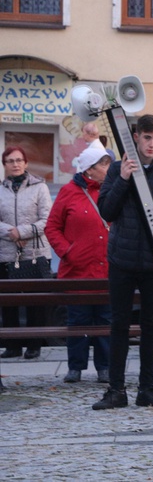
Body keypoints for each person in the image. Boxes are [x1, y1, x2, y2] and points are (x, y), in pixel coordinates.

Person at [93, 114, 153, 410]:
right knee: (119, 325)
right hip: (122, 260)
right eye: (147, 138)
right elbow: (107, 211)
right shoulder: (116, 170)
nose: (151, 144)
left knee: (151, 327)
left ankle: (147, 389)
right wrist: (122, 178)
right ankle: (116, 390)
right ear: (136, 137)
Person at [46, 146, 112, 383]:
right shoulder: (68, 191)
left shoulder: (113, 190)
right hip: (77, 271)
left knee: (106, 321)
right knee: (78, 322)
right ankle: (76, 366)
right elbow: (52, 227)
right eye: (104, 164)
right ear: (90, 169)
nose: (109, 168)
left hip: (107, 270)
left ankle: (105, 367)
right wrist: (67, 251)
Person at [0, 147, 52, 360]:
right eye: (10, 161)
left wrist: (22, 231)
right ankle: (12, 346)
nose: (15, 164)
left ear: (26, 163)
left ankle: (34, 345)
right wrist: (10, 233)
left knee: (35, 302)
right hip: (5, 253)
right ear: (4, 165)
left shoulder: (40, 187)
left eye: (19, 160)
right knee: (8, 302)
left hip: (34, 253)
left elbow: (47, 220)